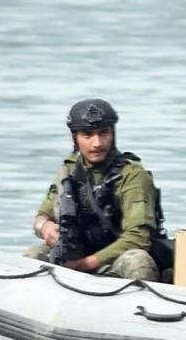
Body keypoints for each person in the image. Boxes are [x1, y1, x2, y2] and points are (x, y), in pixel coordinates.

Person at [27, 98, 167, 280]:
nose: (97, 143)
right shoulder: (69, 171)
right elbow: (42, 216)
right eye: (87, 135)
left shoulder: (131, 174)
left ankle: (142, 307)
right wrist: (45, 227)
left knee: (138, 261)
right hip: (74, 253)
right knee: (31, 256)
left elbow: (138, 237)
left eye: (104, 133)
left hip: (114, 259)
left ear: (113, 134)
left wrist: (84, 264)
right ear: (74, 138)